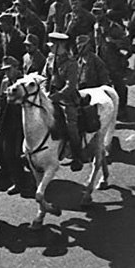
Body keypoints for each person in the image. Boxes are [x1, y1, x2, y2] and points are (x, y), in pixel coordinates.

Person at [42, 32, 85, 169]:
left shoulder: (71, 63)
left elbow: (70, 86)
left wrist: (58, 96)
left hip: (66, 99)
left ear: (60, 45)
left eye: (53, 45)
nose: (50, 48)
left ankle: (77, 156)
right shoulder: (50, 59)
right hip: (51, 95)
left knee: (71, 126)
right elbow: (45, 77)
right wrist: (45, 91)